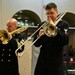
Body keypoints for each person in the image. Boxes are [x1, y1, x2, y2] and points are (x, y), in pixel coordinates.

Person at [33, 2, 69, 75]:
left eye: (51, 13)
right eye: (47, 13)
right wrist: (39, 36)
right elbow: (36, 44)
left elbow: (65, 41)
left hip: (56, 63)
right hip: (42, 62)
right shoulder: (42, 25)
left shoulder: (63, 24)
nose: (49, 16)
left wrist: (54, 28)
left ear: (57, 12)